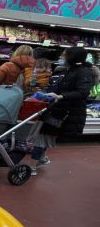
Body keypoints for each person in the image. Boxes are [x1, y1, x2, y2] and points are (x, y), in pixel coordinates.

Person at [28, 47, 94, 176]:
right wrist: (45, 94)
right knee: (46, 133)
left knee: (43, 136)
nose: (61, 57)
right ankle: (40, 158)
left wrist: (61, 96)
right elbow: (56, 87)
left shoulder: (83, 72)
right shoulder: (63, 70)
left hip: (66, 111)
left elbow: (83, 92)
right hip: (55, 108)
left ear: (72, 57)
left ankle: (32, 167)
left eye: (64, 55)